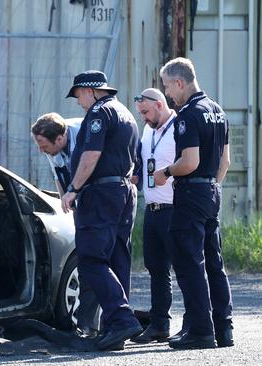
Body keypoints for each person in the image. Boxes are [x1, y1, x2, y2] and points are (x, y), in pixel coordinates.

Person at [154, 57, 234, 349]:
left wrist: (165, 172)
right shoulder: (218, 110)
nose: (168, 95)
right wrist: (210, 187)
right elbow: (224, 161)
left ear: (180, 82)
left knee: (190, 262)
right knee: (214, 261)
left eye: (167, 87)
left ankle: (201, 330)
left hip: (191, 194)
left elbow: (189, 162)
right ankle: (224, 329)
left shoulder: (188, 114)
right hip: (212, 191)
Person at [61, 70, 142, 351]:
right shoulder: (126, 114)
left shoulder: (98, 112)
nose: (78, 102)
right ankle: (114, 330)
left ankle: (120, 319)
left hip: (101, 193)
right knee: (118, 259)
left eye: (78, 95)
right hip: (123, 192)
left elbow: (91, 155)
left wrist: (73, 188)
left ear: (90, 91)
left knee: (93, 259)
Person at [31, 112, 101, 338]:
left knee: (98, 262)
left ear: (59, 139)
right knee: (87, 262)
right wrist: (66, 203)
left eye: (42, 144)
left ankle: (104, 323)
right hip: (81, 201)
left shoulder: (83, 135)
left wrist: (75, 194)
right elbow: (58, 173)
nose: (40, 150)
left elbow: (90, 167)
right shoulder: (53, 146)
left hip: (103, 199)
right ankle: (88, 324)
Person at [130, 88, 177, 343]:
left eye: (146, 112)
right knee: (156, 269)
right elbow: (143, 163)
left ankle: (197, 323)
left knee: (186, 268)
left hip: (174, 209)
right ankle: (160, 324)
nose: (144, 118)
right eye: (141, 114)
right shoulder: (148, 130)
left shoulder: (179, 127)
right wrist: (136, 177)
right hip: (152, 209)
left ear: (159, 105)